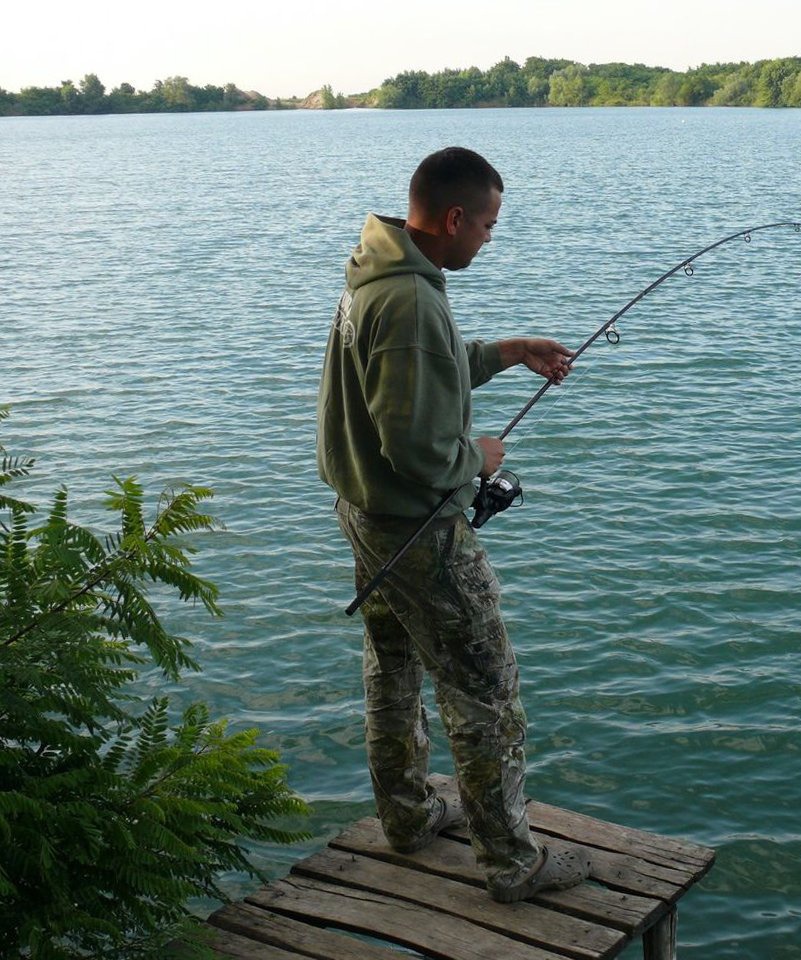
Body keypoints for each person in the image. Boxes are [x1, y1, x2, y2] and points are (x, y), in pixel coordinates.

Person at [316, 146, 590, 903]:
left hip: (365, 515)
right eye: (490, 224)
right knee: (485, 687)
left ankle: (406, 818)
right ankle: (512, 863)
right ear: (455, 217)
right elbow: (416, 445)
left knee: (394, 668)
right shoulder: (408, 301)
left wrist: (505, 352)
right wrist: (477, 454)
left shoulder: (378, 274)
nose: (490, 239)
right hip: (415, 530)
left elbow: (419, 375)